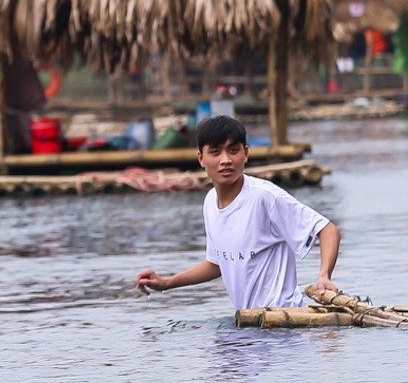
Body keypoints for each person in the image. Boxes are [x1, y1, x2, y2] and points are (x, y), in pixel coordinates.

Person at [136, 115, 341, 311]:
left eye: (233, 151)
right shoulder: (210, 203)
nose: (225, 160)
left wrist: (324, 276)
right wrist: (167, 283)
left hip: (283, 325)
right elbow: (217, 263)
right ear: (201, 159)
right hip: (250, 324)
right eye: (215, 152)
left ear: (246, 153)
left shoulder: (264, 197)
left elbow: (327, 229)